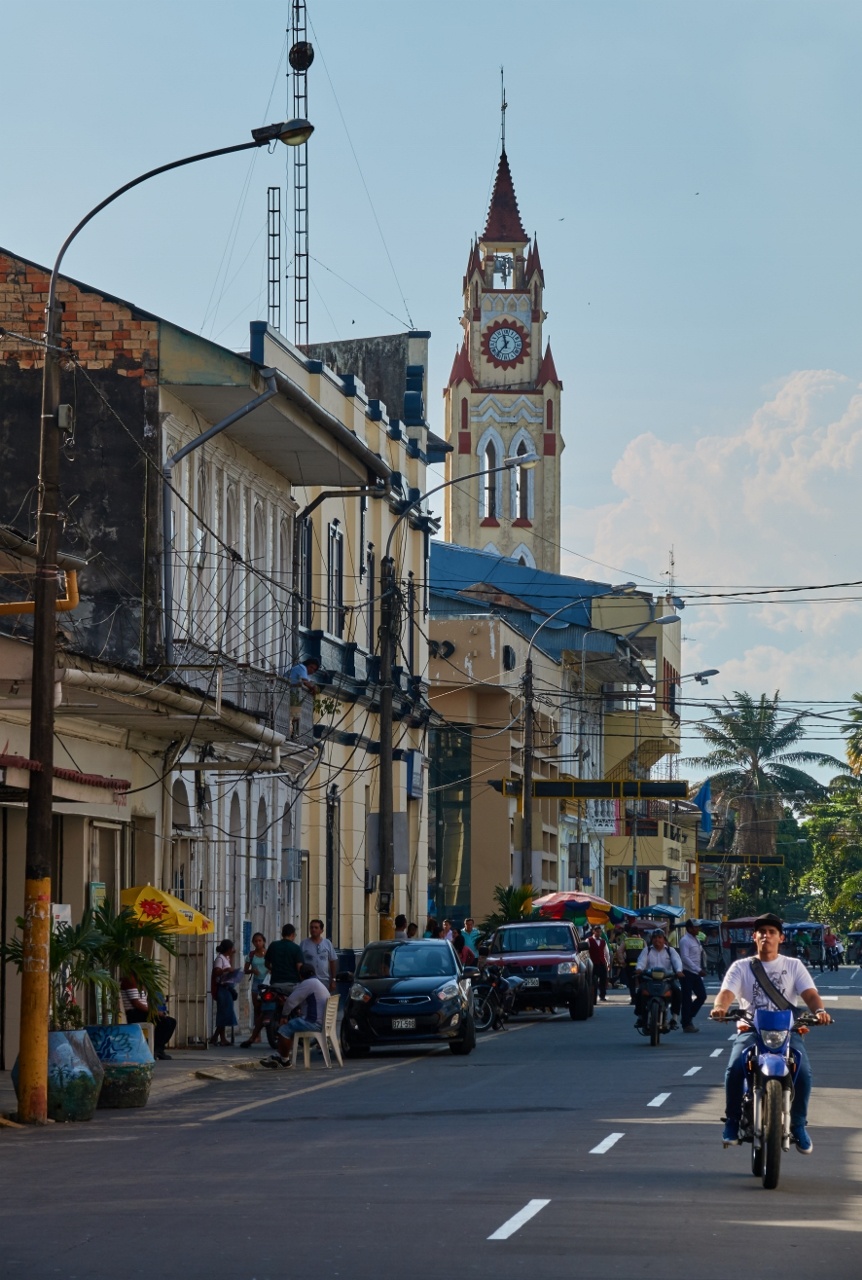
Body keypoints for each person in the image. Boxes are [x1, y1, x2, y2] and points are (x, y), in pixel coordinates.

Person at [711, 912, 832, 1152]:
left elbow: (809, 993)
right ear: (754, 936)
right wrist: (719, 1007)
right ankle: (733, 1122)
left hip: (788, 1032)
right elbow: (727, 993)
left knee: (804, 1073)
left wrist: (819, 1011)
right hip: (751, 1030)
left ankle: (798, 1124)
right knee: (735, 1068)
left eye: (772, 932)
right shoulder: (742, 966)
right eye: (762, 932)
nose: (766, 935)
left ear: (781, 938)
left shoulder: (793, 965)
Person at [240, 924, 304, 1047]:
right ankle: (299, 1034)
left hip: (275, 984)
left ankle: (252, 1038)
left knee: (264, 1011)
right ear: (293, 935)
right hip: (291, 985)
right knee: (298, 1009)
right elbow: (299, 967)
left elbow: (268, 963)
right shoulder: (296, 948)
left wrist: (274, 970)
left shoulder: (274, 946)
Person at [261, 963, 331, 1068]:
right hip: (322, 1022)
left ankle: (284, 1060)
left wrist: (284, 1016)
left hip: (313, 1023)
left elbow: (290, 1001)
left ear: (301, 975)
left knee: (284, 1029)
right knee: (292, 1027)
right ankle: (279, 1056)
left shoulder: (308, 983)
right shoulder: (317, 983)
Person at [120, 973, 177, 1060]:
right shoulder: (130, 980)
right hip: (134, 1013)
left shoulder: (140, 981)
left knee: (170, 1021)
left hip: (142, 1011)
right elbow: (136, 1003)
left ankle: (159, 1048)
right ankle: (155, 1049)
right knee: (165, 1022)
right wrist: (154, 1013)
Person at [634, 929, 683, 1028]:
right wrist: (639, 969)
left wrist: (678, 971)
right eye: (655, 938)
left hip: (666, 980)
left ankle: (674, 1018)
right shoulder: (647, 950)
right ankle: (640, 1017)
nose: (657, 940)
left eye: (660, 937)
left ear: (664, 940)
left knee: (677, 992)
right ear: (652, 940)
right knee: (639, 992)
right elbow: (641, 962)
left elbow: (677, 961)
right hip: (649, 980)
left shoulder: (670, 950)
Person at [679, 918, 707, 1033]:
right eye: (695, 927)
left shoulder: (696, 939)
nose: (698, 929)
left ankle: (687, 1017)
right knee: (687, 999)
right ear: (689, 928)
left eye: (698, 927)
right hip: (687, 973)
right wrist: (697, 969)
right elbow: (685, 958)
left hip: (696, 973)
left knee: (702, 996)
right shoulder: (685, 940)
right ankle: (686, 1023)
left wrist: (701, 968)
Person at [210, 939, 239, 1047]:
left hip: (227, 988)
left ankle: (216, 1037)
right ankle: (220, 1038)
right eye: (232, 948)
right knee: (223, 1013)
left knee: (226, 1013)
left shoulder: (226, 958)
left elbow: (234, 953)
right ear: (228, 949)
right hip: (221, 988)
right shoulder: (219, 959)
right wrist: (226, 970)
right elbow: (216, 971)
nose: (233, 950)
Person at [243, 932, 268, 1043]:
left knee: (265, 1008)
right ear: (253, 942)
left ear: (263, 942)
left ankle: (265, 1032)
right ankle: (257, 1035)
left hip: (267, 983)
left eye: (260, 941)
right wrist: (252, 970)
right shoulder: (251, 955)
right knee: (257, 1008)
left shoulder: (268, 954)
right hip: (256, 983)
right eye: (256, 941)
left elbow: (273, 965)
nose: (258, 943)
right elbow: (245, 970)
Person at [301, 918, 338, 992]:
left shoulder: (327, 943)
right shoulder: (304, 944)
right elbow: (299, 962)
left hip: (324, 981)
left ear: (321, 930)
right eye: (311, 927)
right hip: (308, 980)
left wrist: (333, 980)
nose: (313, 929)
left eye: (316, 927)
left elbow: (332, 962)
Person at [287, 657, 319, 736]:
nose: (312, 670)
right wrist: (313, 688)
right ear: (307, 664)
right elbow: (305, 682)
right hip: (288, 693)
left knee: (294, 716)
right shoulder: (302, 668)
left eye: (314, 669)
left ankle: (292, 731)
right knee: (293, 715)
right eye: (311, 667)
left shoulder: (306, 674)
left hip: (293, 696)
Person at [587, 925, 610, 1001]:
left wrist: (608, 963)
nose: (599, 933)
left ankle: (602, 995)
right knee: (594, 981)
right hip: (593, 963)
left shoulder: (603, 941)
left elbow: (606, 953)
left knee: (603, 980)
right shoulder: (588, 940)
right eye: (597, 932)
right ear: (593, 931)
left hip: (601, 962)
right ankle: (593, 996)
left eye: (600, 932)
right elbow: (586, 952)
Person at [622, 927, 646, 1002]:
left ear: (629, 933)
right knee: (642, 982)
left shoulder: (626, 941)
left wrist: (622, 961)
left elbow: (619, 951)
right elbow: (647, 952)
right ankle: (641, 998)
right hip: (640, 966)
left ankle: (633, 999)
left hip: (630, 965)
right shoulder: (642, 941)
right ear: (638, 933)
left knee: (631, 983)